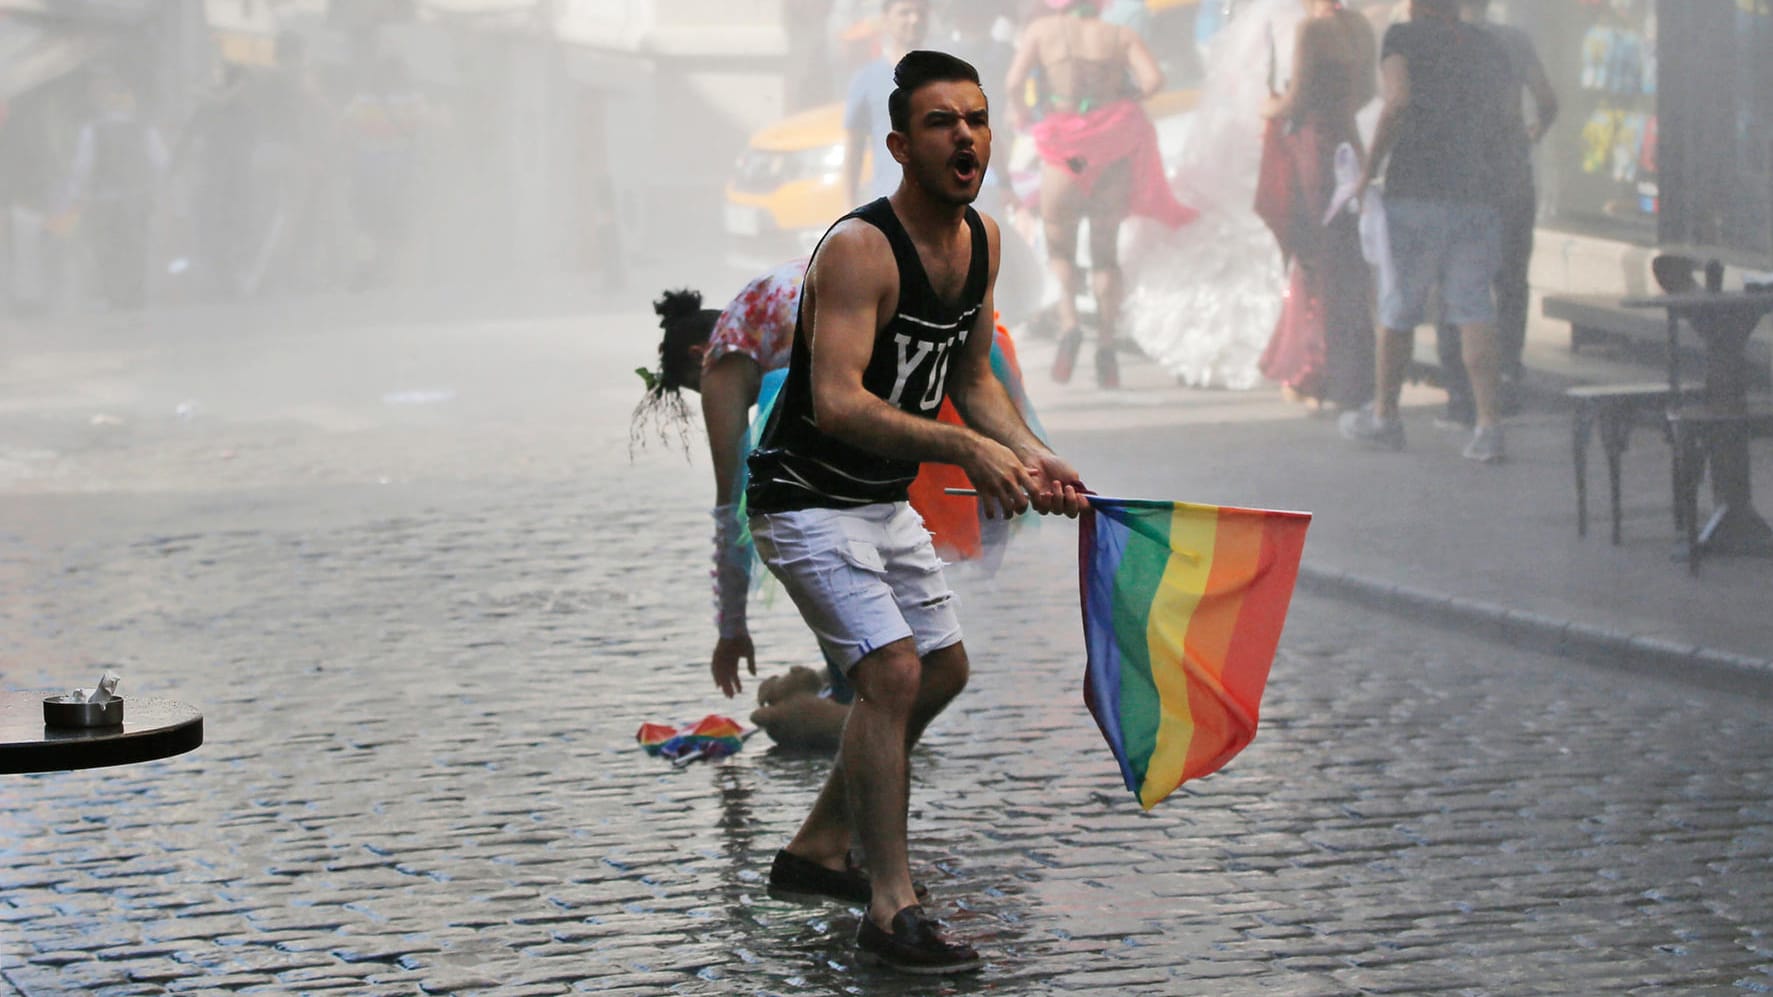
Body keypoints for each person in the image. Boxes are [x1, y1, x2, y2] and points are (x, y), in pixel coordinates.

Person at [745, 50, 1087, 972]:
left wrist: (1027, 449)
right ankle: (889, 907)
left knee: (941, 671)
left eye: (975, 118)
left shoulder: (982, 242)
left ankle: (818, 847)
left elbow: (971, 380)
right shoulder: (858, 248)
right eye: (941, 122)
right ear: (899, 144)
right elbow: (837, 400)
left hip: (878, 500)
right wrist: (969, 452)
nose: (964, 135)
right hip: (805, 499)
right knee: (892, 673)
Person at [631, 259, 1045, 753]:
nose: (714, 401)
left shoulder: (724, 355)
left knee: (809, 514)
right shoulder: (764, 305)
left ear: (700, 355)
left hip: (874, 383)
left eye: (697, 389)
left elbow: (729, 510)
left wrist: (731, 629)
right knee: (868, 528)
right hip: (934, 358)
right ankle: (870, 688)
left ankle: (856, 704)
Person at [1339, 0, 1514, 462]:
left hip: (1415, 188)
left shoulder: (1402, 38)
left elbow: (1397, 101)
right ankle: (1489, 425)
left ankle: (1385, 416)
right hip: (1478, 192)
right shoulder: (1487, 45)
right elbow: (1506, 113)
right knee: (1475, 306)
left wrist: (1369, 170)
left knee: (1399, 305)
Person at [1006, 0, 1197, 388]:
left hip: (1067, 152)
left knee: (1060, 245)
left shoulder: (1041, 33)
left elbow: (1013, 84)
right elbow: (1154, 80)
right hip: (1110, 148)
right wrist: (1124, 97)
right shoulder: (1120, 35)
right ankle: (1107, 345)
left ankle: (1070, 323)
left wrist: (1020, 113)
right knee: (1104, 253)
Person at [1432, 0, 1558, 427]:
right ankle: (1506, 375)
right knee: (1511, 281)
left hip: (1462, 178)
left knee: (1455, 282)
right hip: (1511, 174)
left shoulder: (1443, 43)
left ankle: (1460, 393)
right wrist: (1531, 135)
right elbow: (1547, 101)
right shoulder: (1515, 41)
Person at [1255, 0, 1377, 411]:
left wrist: (1270, 108)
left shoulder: (1312, 30)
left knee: (1313, 255)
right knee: (1346, 256)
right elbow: (1367, 91)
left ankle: (1315, 372)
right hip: (1346, 139)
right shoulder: (1358, 26)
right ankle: (1355, 376)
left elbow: (1299, 95)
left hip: (1312, 145)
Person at [60, 68, 169, 310]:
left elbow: (82, 167)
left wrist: (76, 195)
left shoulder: (92, 131)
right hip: (138, 198)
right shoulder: (144, 129)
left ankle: (114, 295)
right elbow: (161, 162)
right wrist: (158, 191)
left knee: (108, 247)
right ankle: (135, 294)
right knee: (136, 246)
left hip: (105, 200)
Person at [843, 0, 930, 210]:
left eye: (920, 13)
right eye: (905, 13)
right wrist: (849, 209)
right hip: (890, 208)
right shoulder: (867, 80)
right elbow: (853, 151)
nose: (914, 20)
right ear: (886, 20)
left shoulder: (947, 76)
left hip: (939, 211)